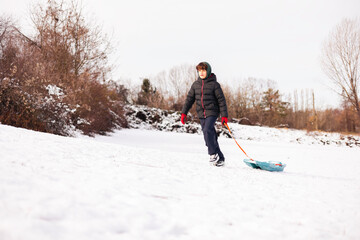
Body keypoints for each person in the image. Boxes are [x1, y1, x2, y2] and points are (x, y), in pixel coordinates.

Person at [181, 62, 228, 167]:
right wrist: (184, 113)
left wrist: (224, 115)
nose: (201, 73)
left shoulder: (214, 85)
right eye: (199, 70)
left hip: (212, 112)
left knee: (207, 130)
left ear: (208, 71)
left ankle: (212, 154)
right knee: (210, 137)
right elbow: (189, 99)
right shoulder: (195, 85)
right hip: (201, 113)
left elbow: (221, 100)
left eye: (203, 70)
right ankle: (221, 157)